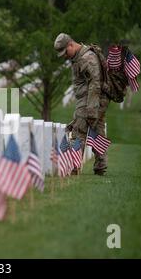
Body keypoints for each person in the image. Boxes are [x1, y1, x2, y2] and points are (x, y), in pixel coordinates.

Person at [54, 33, 109, 176]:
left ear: (71, 45)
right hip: (93, 99)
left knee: (79, 131)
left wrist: (91, 109)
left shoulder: (86, 58)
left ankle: (73, 167)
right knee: (97, 130)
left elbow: (95, 84)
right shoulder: (79, 56)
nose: (65, 56)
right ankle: (100, 165)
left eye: (65, 52)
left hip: (90, 99)